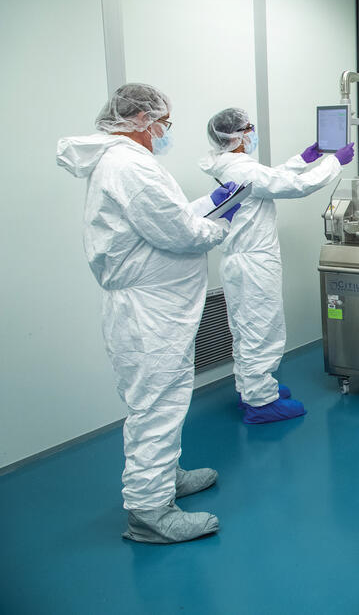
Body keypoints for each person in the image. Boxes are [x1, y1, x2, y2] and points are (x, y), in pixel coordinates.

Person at [57, 83, 242, 543]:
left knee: (168, 396)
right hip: (148, 311)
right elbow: (179, 232)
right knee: (156, 405)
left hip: (157, 308)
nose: (165, 131)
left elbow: (168, 216)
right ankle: (149, 512)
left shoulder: (129, 163)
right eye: (164, 123)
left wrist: (213, 203)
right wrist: (219, 223)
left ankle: (166, 476)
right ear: (142, 119)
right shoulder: (129, 165)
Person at [199, 108, 354, 424]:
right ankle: (261, 402)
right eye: (250, 128)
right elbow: (295, 187)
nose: (253, 132)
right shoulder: (243, 169)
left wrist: (304, 157)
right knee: (261, 330)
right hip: (254, 263)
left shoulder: (231, 164)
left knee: (245, 330)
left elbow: (271, 178)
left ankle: (252, 389)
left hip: (238, 261)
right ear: (238, 135)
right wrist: (335, 161)